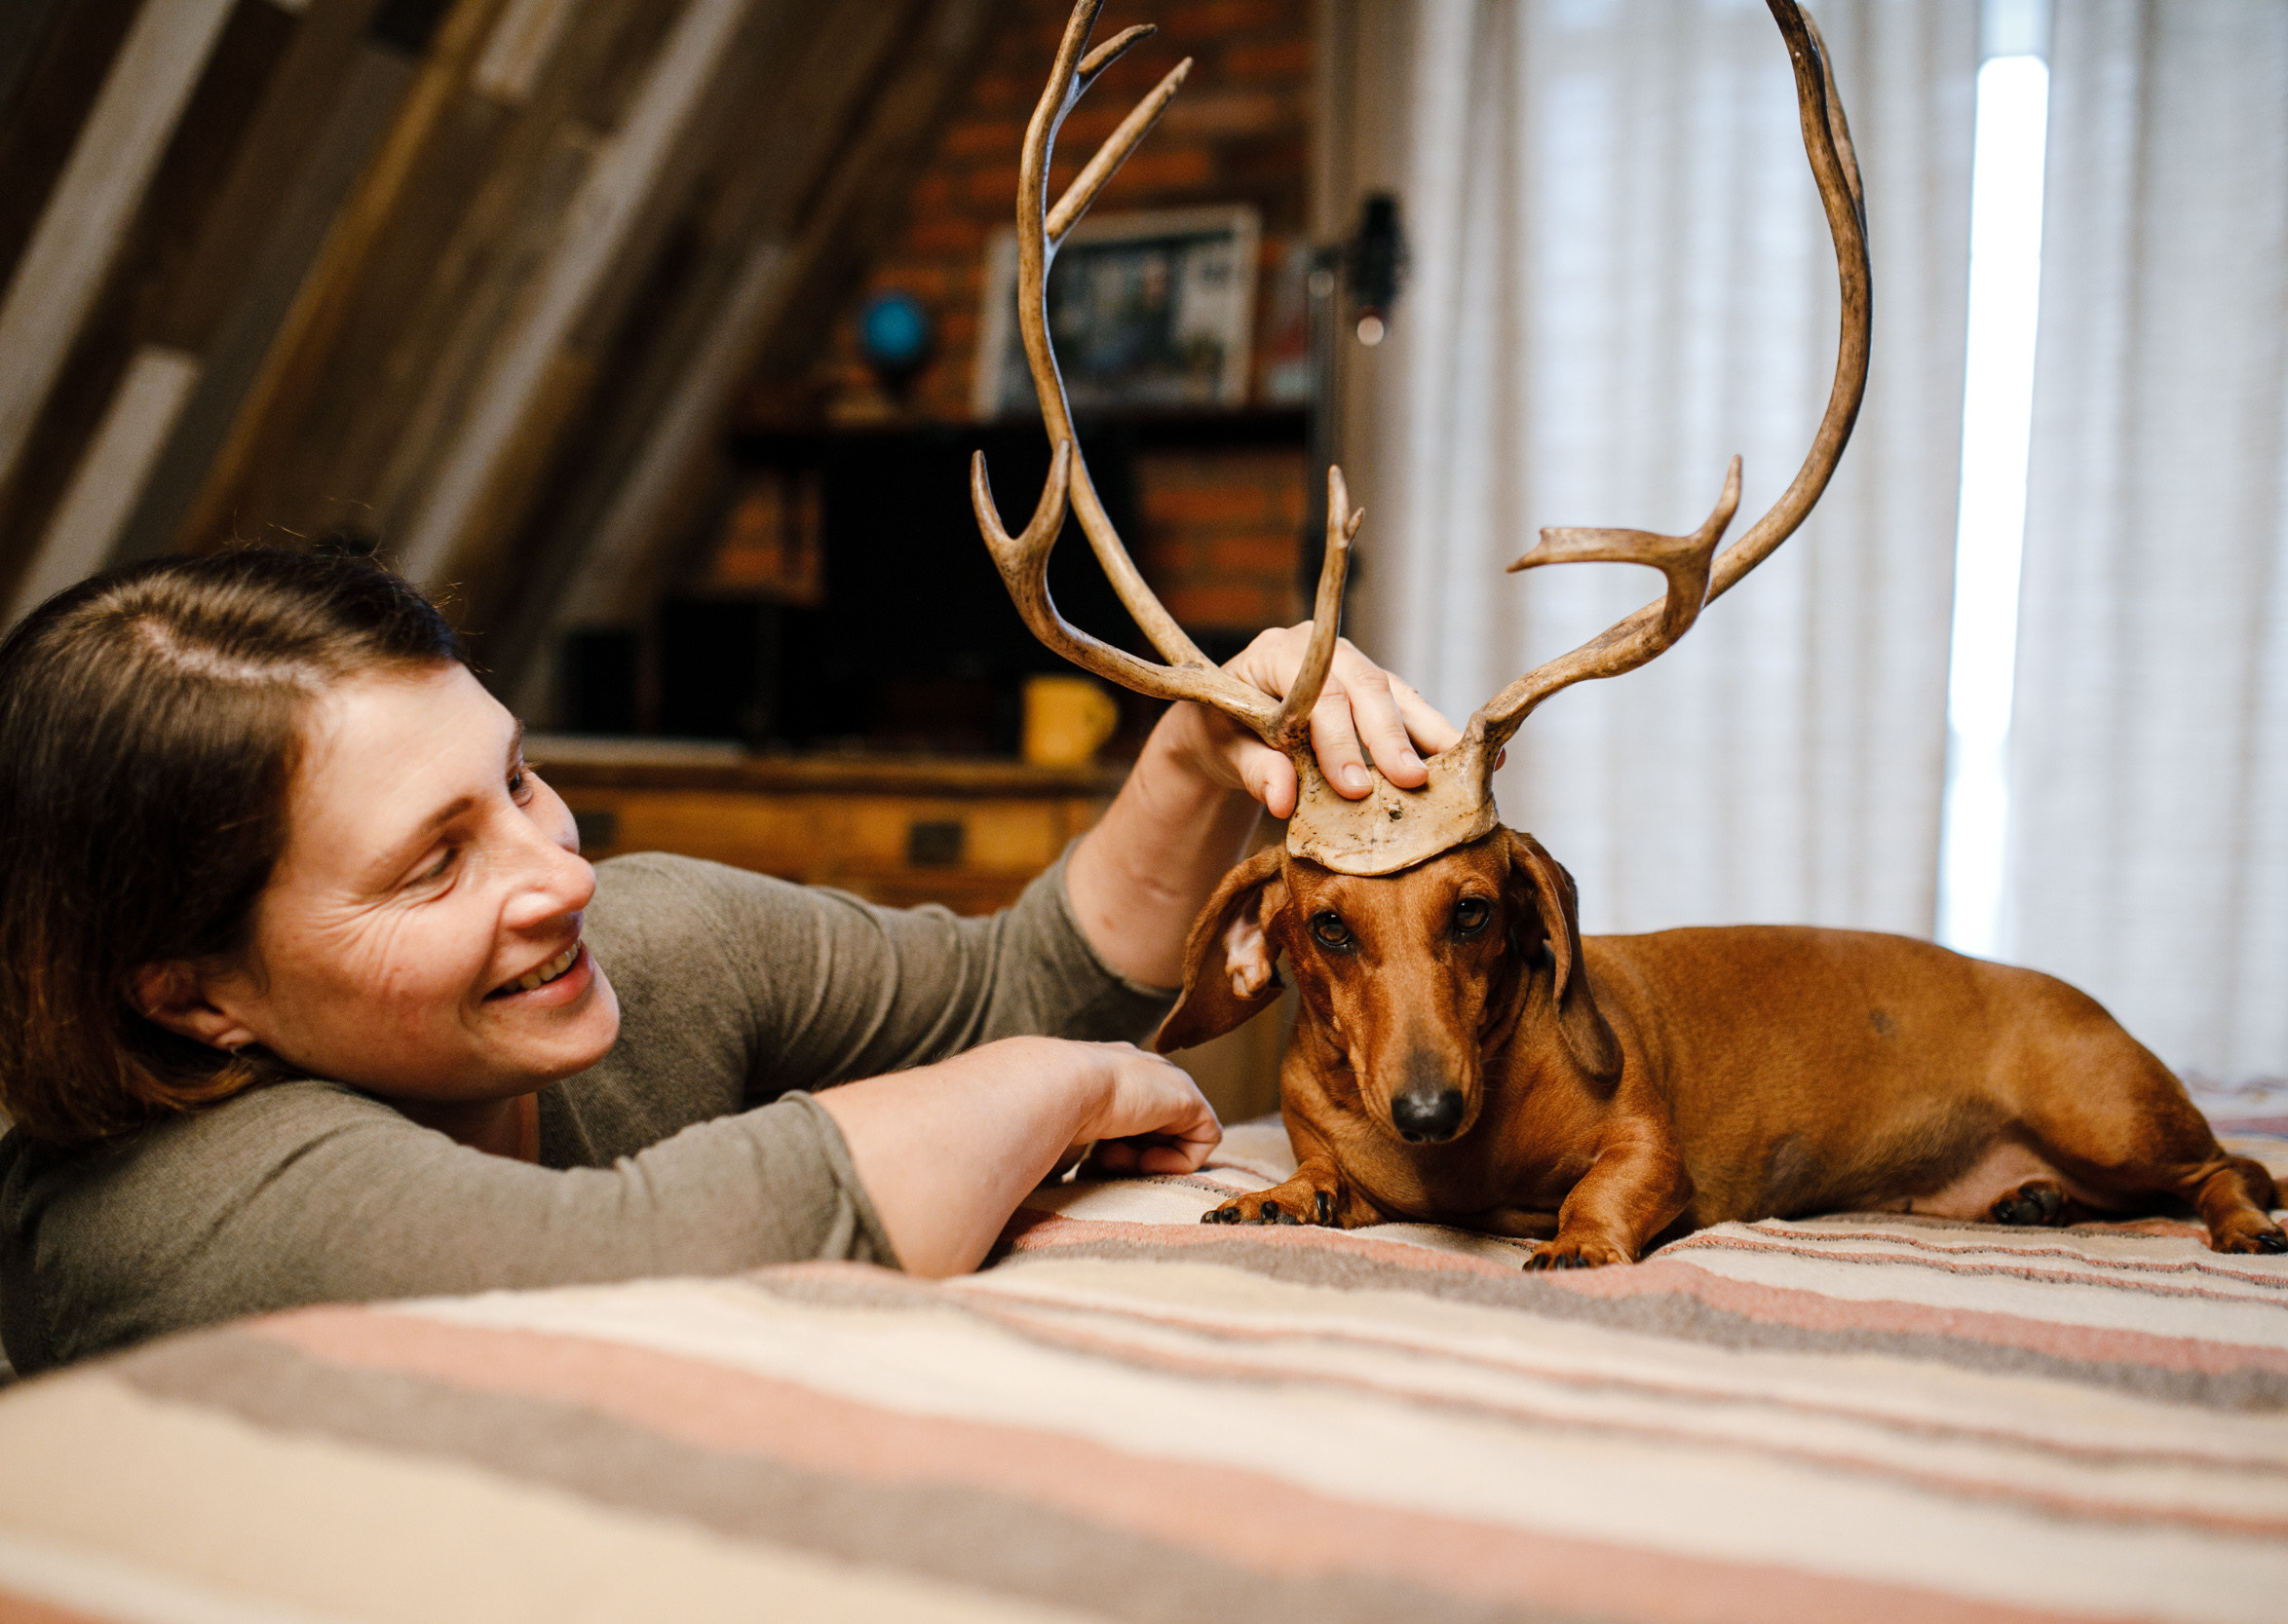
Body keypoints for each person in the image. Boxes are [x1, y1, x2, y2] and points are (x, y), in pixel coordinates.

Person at [0, 546, 1456, 1376]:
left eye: (516, 782)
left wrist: (1199, 744)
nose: (558, 875)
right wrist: (1048, 1090)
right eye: (433, 863)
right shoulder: (159, 1206)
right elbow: (629, 1261)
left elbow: (1032, 979)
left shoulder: (643, 944)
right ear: (194, 995)